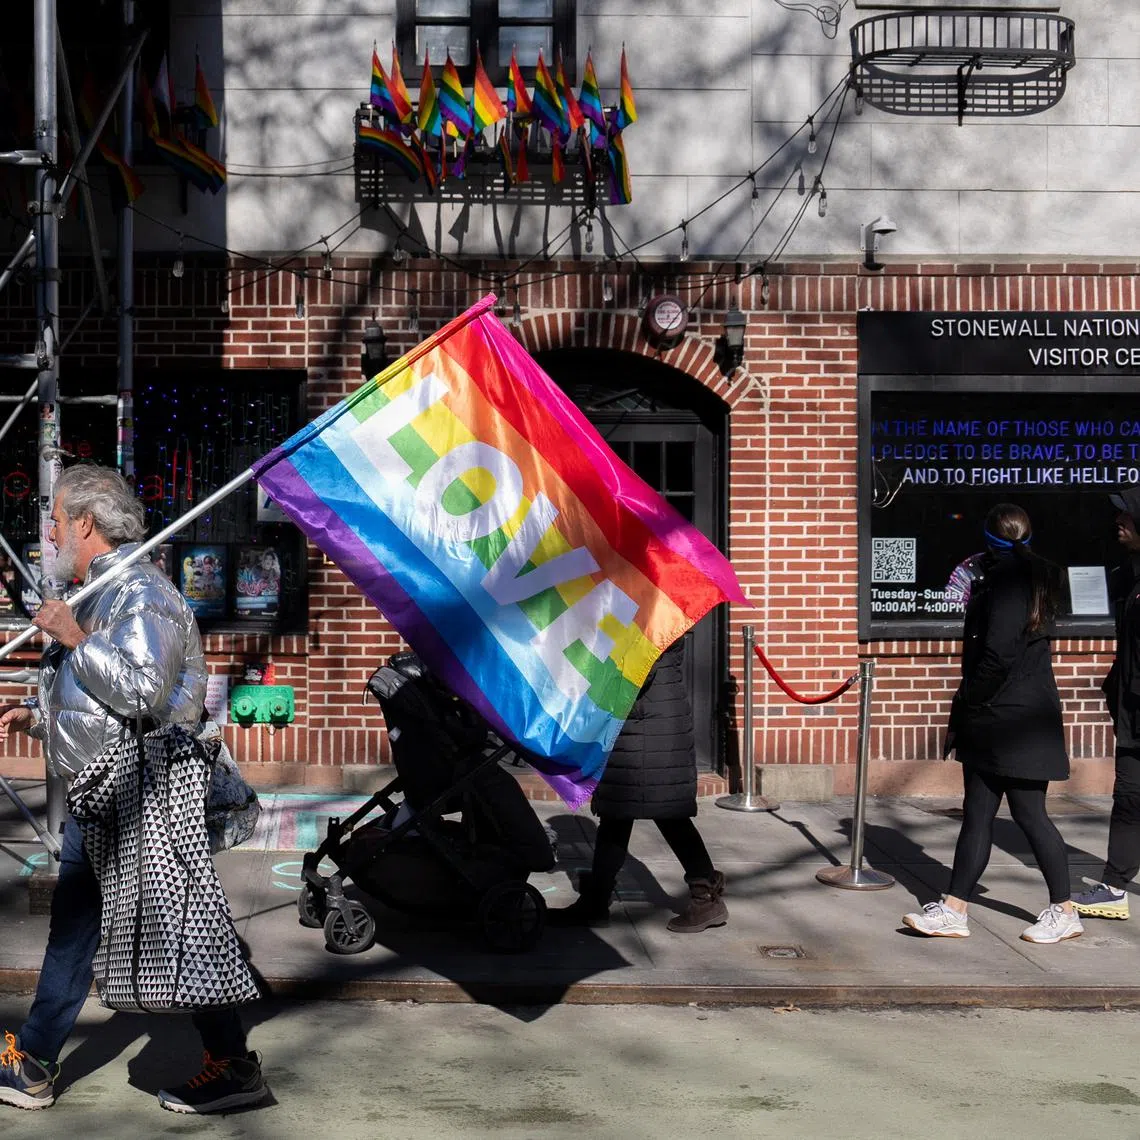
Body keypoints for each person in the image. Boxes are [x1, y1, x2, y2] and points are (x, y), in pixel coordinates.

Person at [0, 465, 267, 1114]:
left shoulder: (141, 594)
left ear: (86, 524)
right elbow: (105, 703)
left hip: (141, 800)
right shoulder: (101, 594)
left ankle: (230, 1065)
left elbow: (145, 692)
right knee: (84, 927)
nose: (53, 533)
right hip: (107, 796)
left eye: (58, 521)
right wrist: (38, 720)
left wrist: (74, 638)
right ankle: (36, 1059)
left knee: (183, 930)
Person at [903, 503, 1082, 944]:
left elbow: (998, 654)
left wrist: (967, 702)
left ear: (988, 535)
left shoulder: (1006, 580)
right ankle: (954, 908)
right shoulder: (1037, 575)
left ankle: (1063, 909)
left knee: (1028, 813)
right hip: (1011, 715)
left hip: (1010, 718)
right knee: (978, 813)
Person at [548, 639, 727, 934]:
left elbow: (633, 674)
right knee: (617, 816)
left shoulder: (653, 619)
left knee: (669, 817)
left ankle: (705, 896)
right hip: (640, 726)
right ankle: (597, 901)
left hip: (648, 728)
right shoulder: (647, 613)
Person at [1073, 488, 1140, 920]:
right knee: (1130, 797)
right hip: (1133, 714)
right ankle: (1116, 886)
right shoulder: (1129, 575)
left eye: (1127, 518)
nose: (1119, 524)